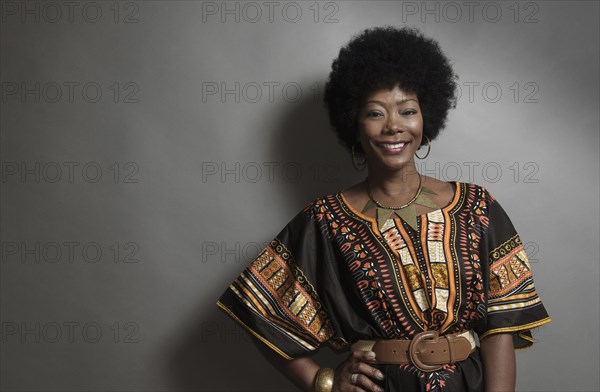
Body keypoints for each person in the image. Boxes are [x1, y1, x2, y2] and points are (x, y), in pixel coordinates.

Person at [216, 26, 551, 392]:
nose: (394, 126)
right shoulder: (325, 221)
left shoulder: (478, 207)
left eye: (407, 111)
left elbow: (498, 330)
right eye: (375, 113)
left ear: (426, 119)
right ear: (354, 125)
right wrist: (323, 380)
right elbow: (259, 311)